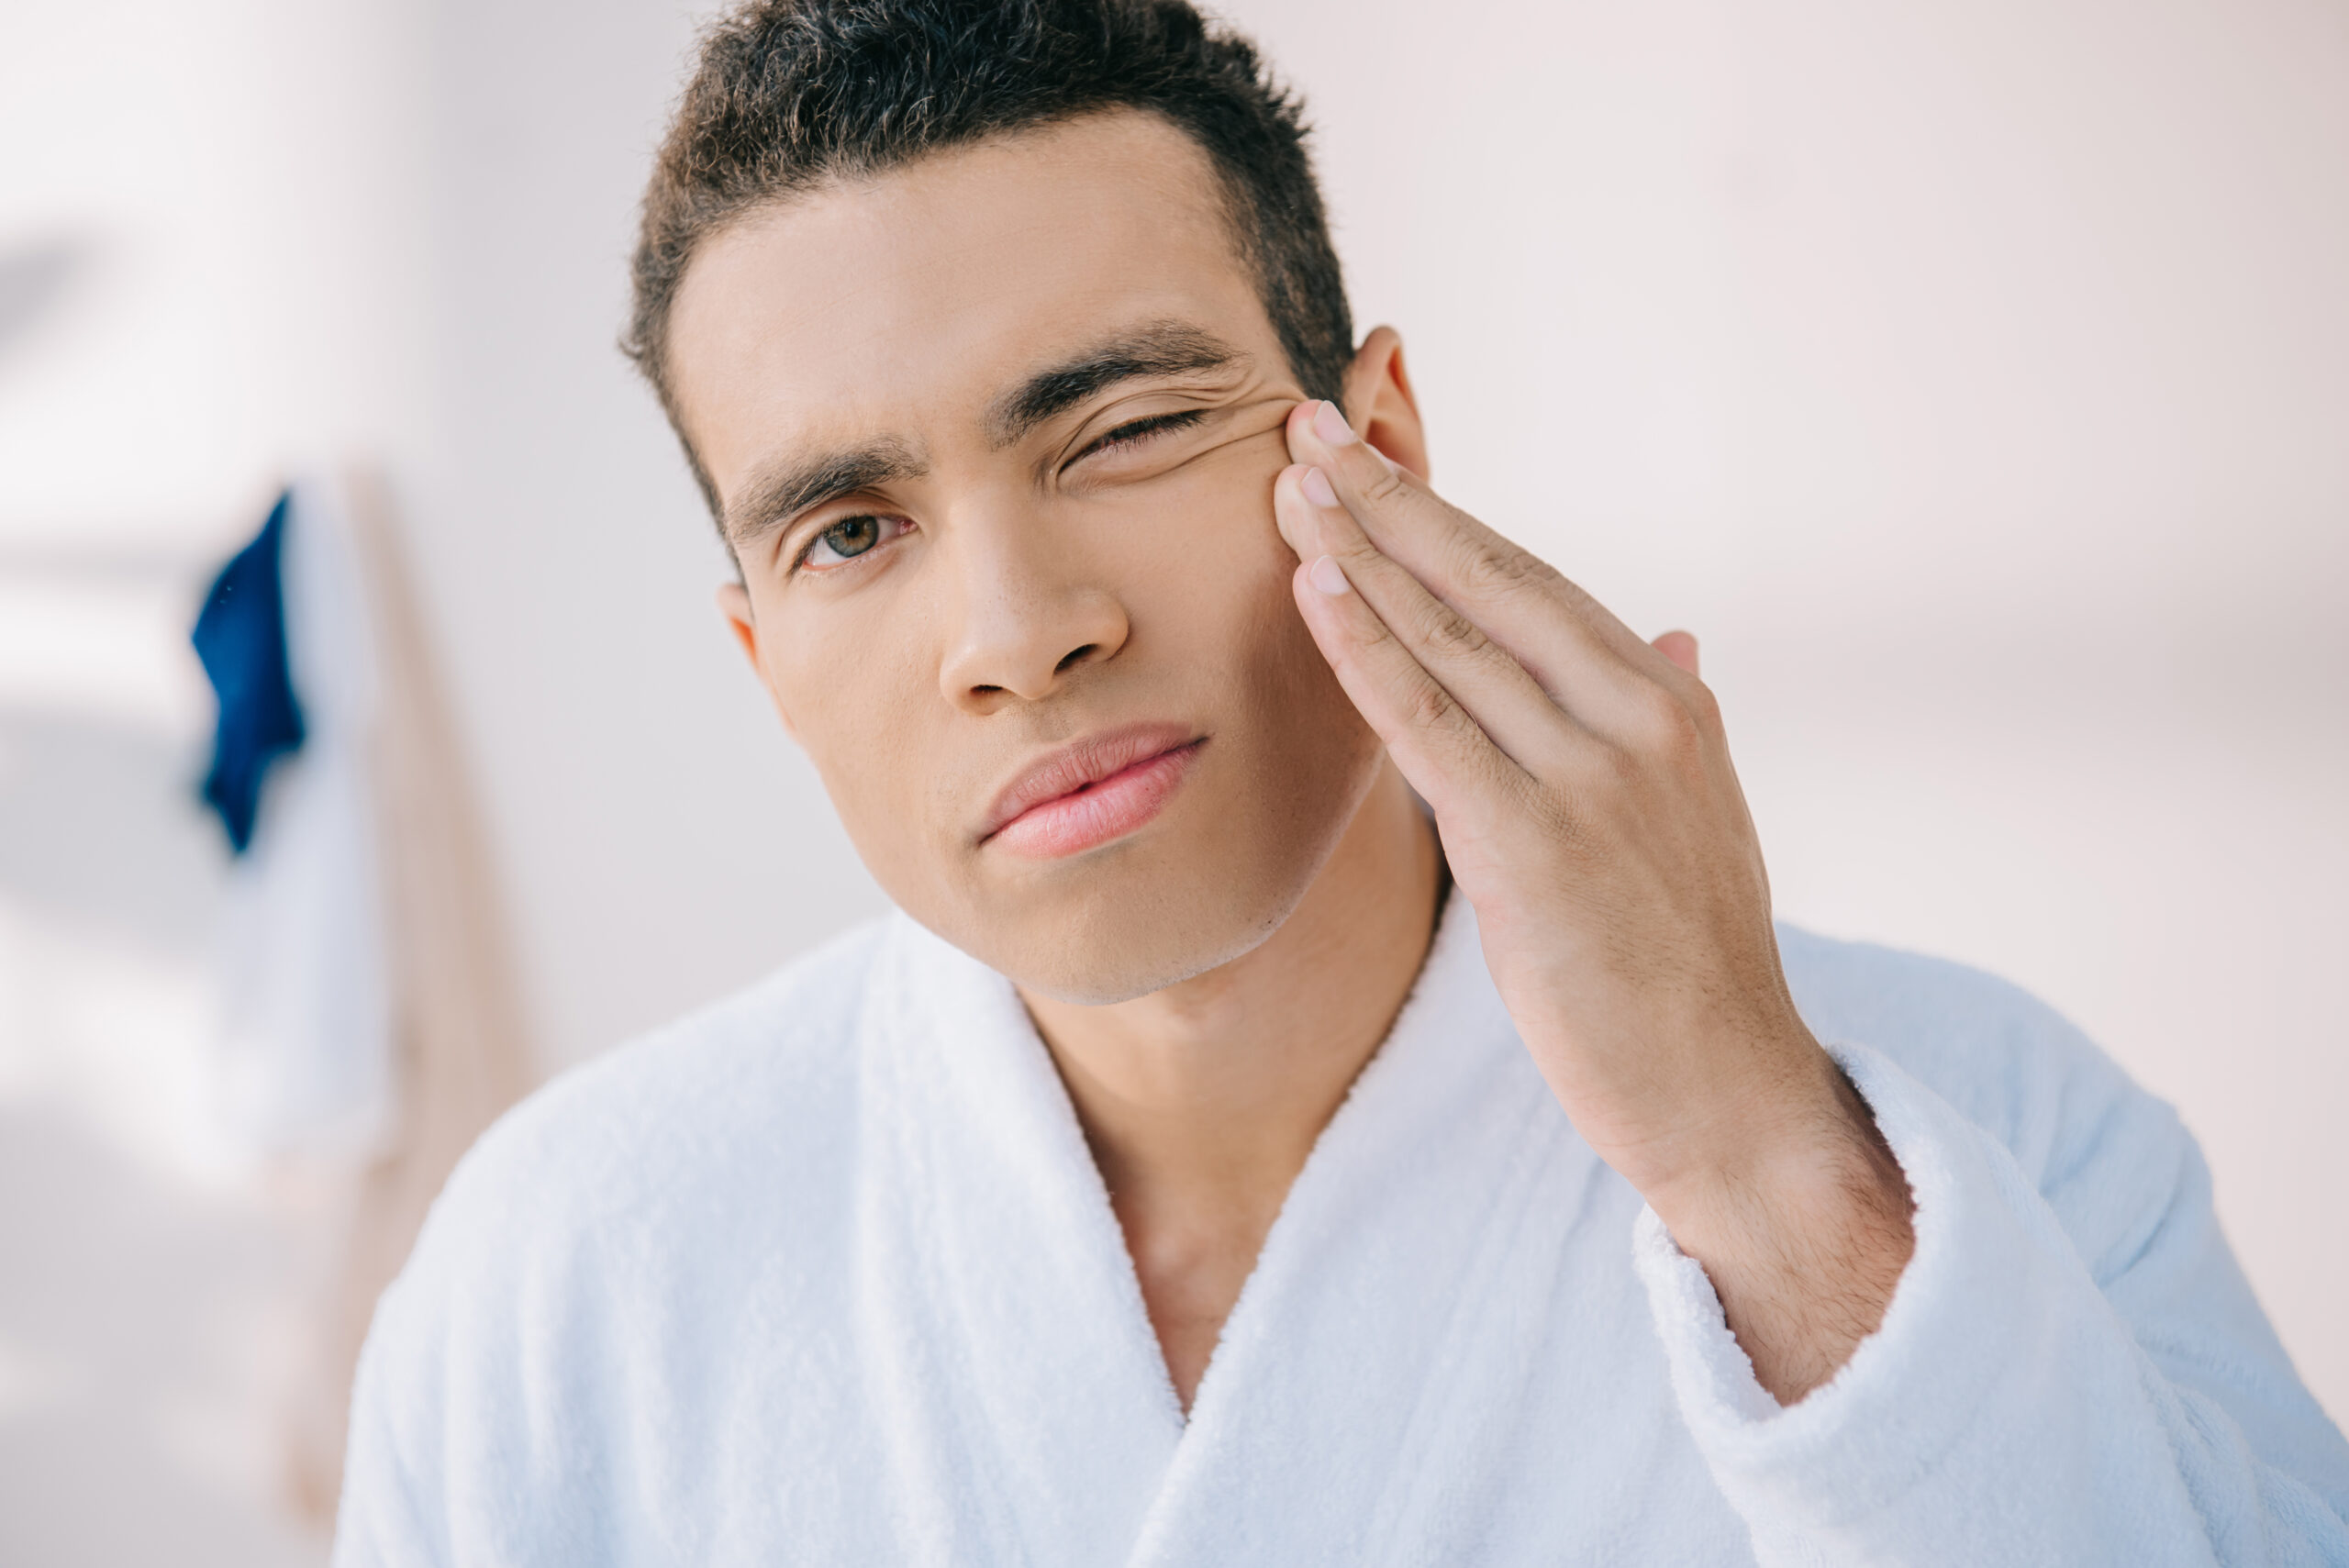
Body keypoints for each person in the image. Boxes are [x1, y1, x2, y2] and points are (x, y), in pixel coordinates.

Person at [331, 0, 2349, 1562]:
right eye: (849, 531)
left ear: (1372, 439)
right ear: (763, 658)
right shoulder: (565, 1286)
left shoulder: (1986, 1136)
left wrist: (1757, 1162)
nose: (1016, 631)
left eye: (1118, 427)